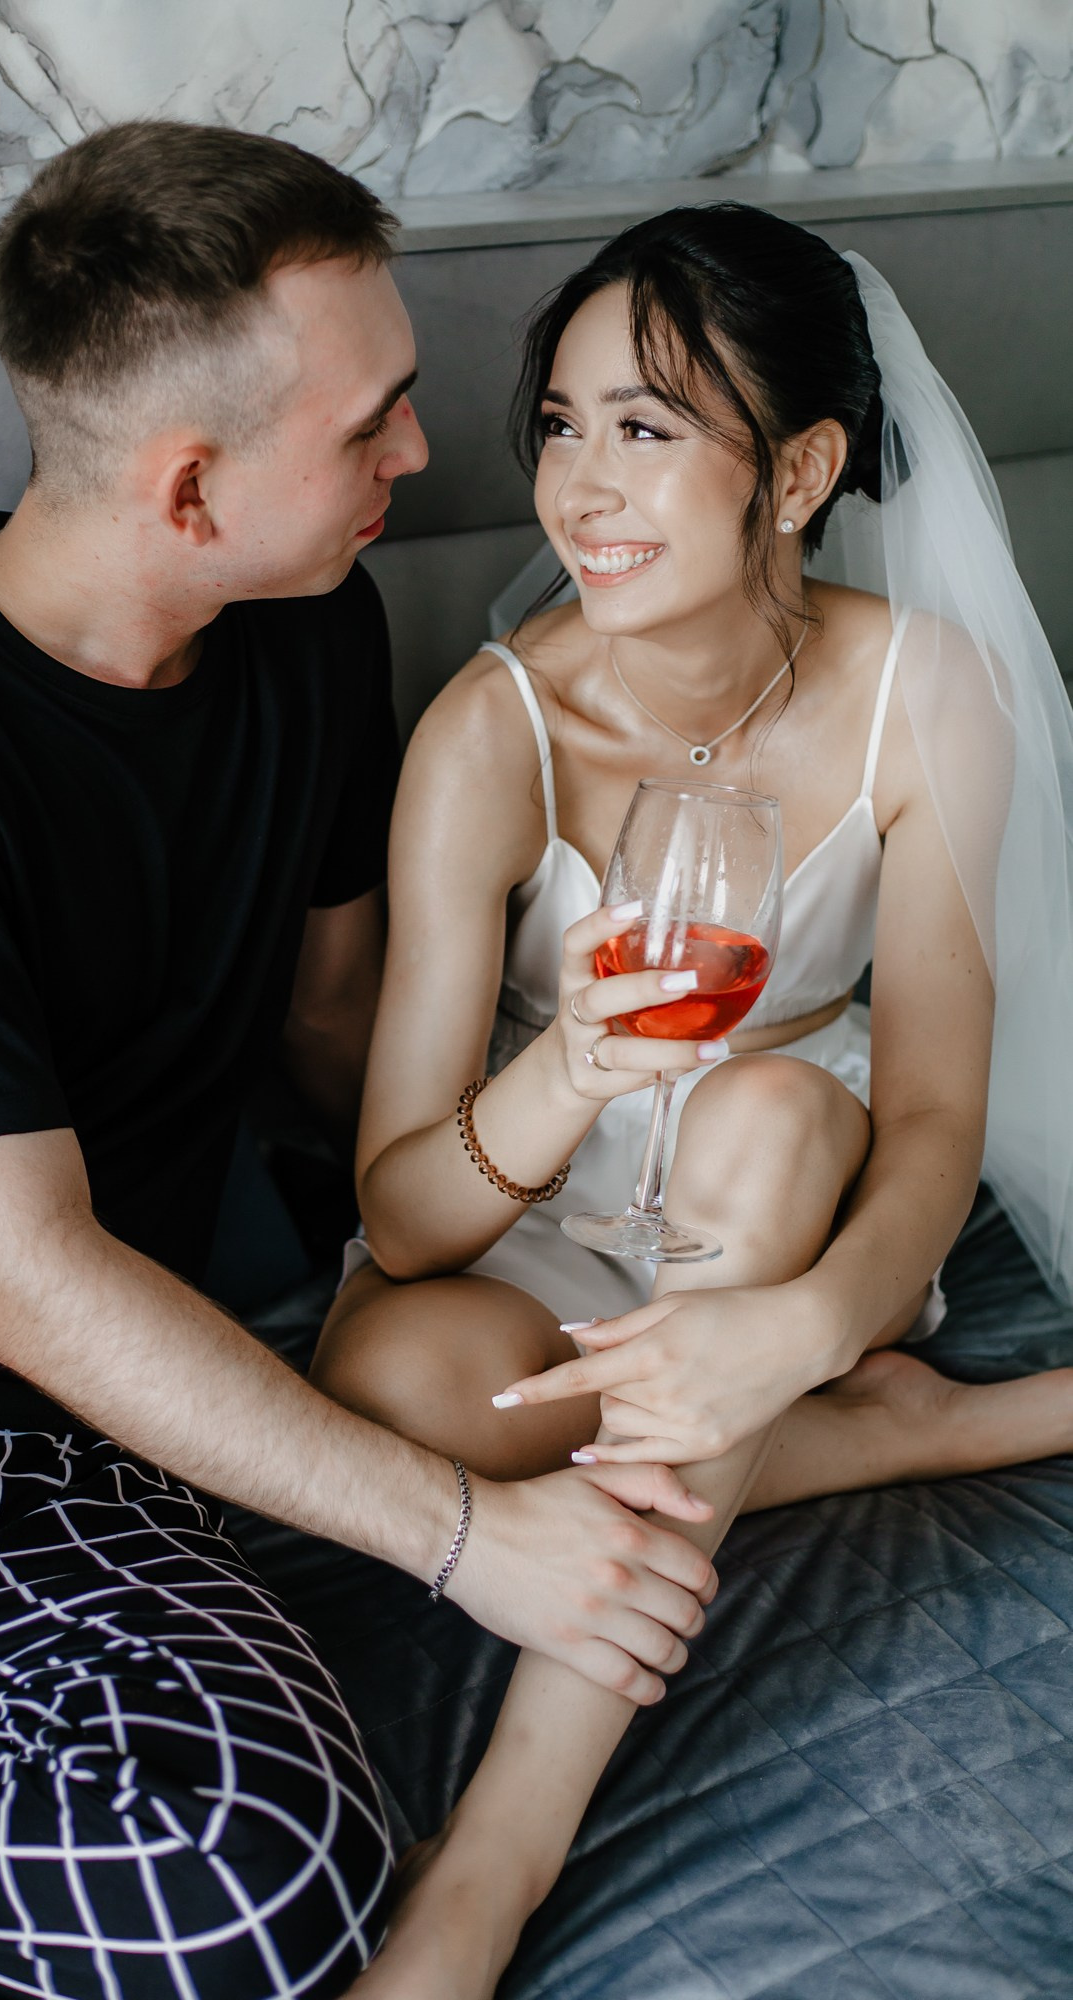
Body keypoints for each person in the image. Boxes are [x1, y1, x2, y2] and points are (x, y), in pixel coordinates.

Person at [0, 125, 722, 2000]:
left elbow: (336, 1027)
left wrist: (570, 1234)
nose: (417, 454)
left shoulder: (308, 633)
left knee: (265, 1892)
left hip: (88, 1443)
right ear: (189, 487)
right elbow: (29, 1284)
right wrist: (467, 1540)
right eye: (371, 424)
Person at [310, 204, 1073, 1997]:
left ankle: (493, 1862)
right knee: (386, 1387)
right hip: (542, 1196)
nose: (580, 489)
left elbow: (934, 1118)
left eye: (645, 429)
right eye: (559, 426)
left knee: (764, 1117)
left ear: (797, 471)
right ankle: (889, 1433)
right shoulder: (490, 735)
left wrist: (806, 1319)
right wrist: (574, 1060)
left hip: (787, 1197)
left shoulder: (922, 696)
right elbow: (403, 1218)